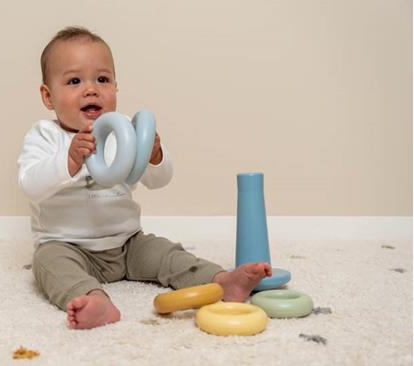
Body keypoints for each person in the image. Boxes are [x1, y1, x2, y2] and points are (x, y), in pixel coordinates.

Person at [17, 26, 272, 330]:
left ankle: (222, 281)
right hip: (68, 245)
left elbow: (158, 179)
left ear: (115, 86)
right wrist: (69, 160)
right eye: (74, 81)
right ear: (49, 96)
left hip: (127, 243)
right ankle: (94, 299)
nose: (91, 89)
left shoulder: (125, 130)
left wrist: (155, 156)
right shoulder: (45, 136)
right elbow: (30, 185)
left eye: (102, 79)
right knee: (48, 264)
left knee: (168, 254)